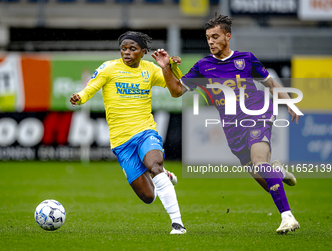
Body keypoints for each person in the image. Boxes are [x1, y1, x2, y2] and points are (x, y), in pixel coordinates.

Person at [152, 15, 300, 234]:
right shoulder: (203, 66)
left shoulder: (246, 59)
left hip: (257, 115)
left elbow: (270, 83)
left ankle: (288, 218)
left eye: (215, 36)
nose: (210, 41)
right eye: (207, 38)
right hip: (232, 128)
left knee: (260, 164)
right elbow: (176, 92)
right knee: (264, 178)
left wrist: (289, 102)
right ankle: (276, 171)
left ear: (227, 36)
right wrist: (165, 67)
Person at [70, 31, 186, 234]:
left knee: (154, 164)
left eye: (132, 49)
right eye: (124, 48)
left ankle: (177, 224)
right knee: (148, 196)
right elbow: (90, 88)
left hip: (145, 131)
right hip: (121, 142)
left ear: (143, 52)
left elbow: (177, 87)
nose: (127, 52)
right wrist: (79, 97)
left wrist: (170, 67)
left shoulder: (150, 69)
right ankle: (164, 176)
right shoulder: (109, 68)